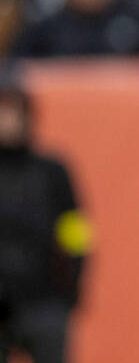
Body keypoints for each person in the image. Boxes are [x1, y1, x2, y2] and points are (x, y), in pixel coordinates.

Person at [0, 82, 91, 363]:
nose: (8, 122)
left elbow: (77, 232)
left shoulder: (52, 171)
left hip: (44, 302)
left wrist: (71, 291)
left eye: (13, 113)